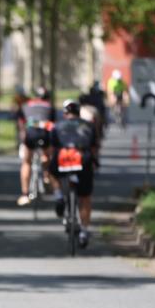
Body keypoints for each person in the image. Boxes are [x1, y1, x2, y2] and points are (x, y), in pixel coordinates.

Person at [51, 100, 99, 248]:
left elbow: (53, 147)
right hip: (82, 160)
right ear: (79, 112)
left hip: (63, 160)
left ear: (65, 113)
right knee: (85, 198)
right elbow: (94, 148)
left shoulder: (57, 126)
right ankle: (84, 231)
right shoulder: (89, 126)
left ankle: (58, 195)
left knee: (51, 171)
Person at [17, 87, 58, 206]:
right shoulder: (50, 107)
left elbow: (21, 125)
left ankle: (24, 194)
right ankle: (46, 174)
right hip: (44, 135)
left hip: (30, 134)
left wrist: (22, 139)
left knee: (26, 162)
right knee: (47, 155)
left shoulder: (25, 106)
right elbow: (53, 126)